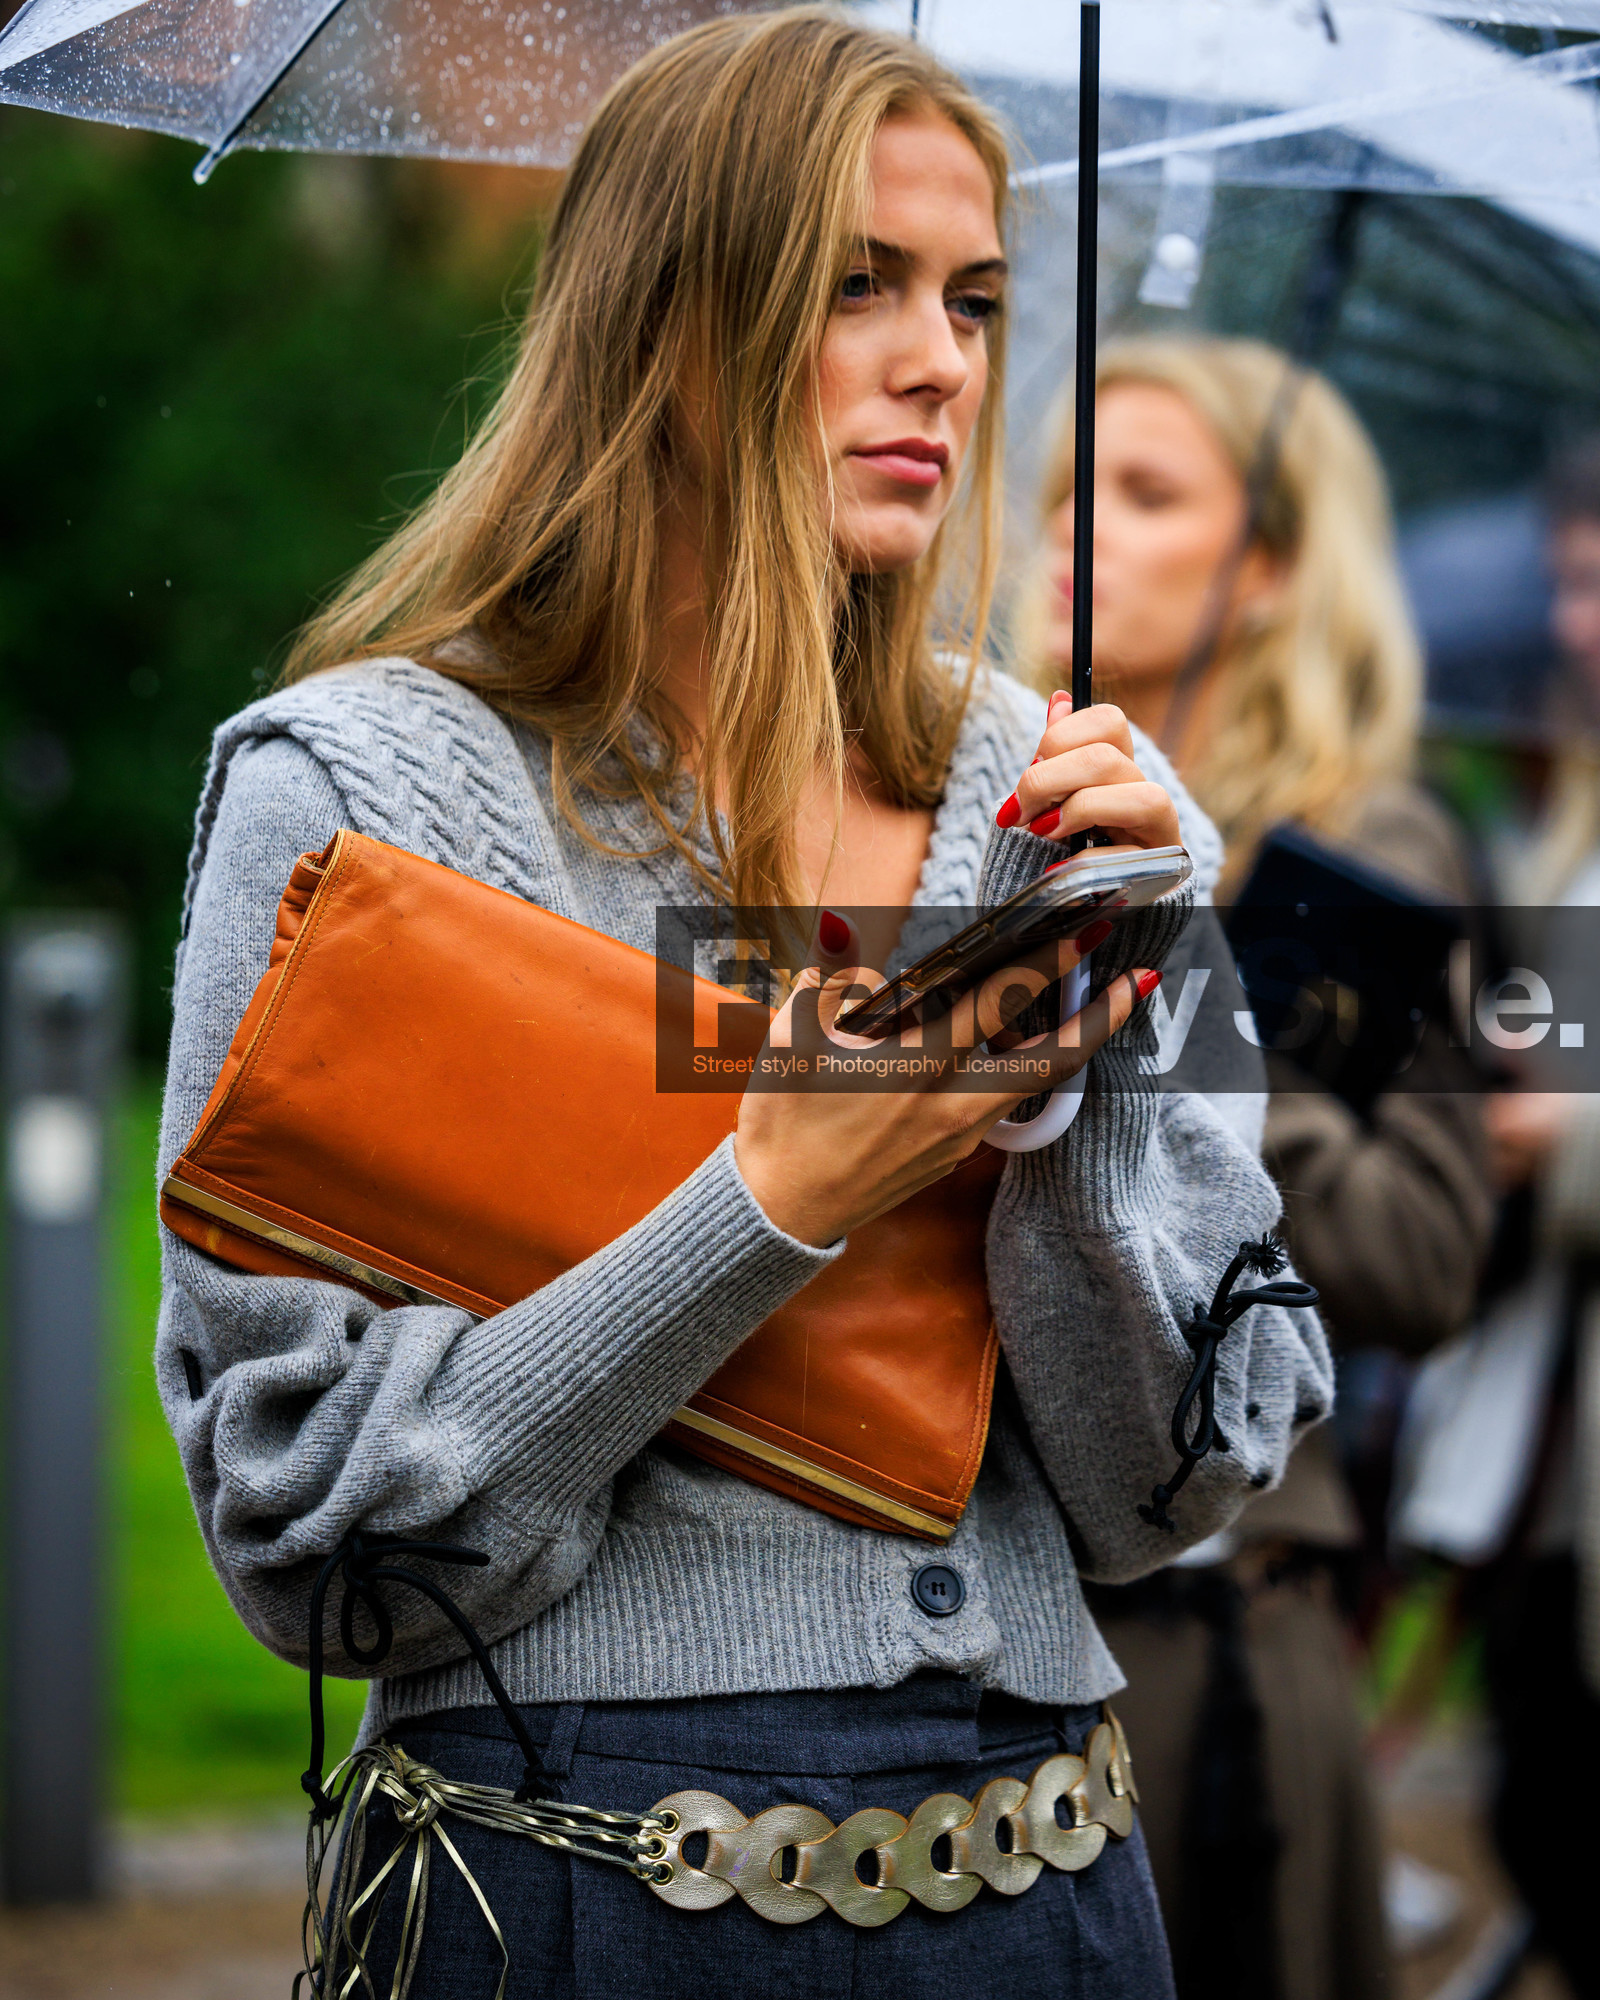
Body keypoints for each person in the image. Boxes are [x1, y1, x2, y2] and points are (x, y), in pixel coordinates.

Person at [156, 25, 1331, 1998]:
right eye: (853, 282)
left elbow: (1168, 1491)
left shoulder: (1055, 799)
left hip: (1048, 1897)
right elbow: (314, 1545)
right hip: (571, 1900)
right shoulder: (365, 796)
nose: (941, 360)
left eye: (971, 299)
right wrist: (763, 1199)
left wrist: (1088, 1078)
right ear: (663, 320)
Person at [1020, 335, 1492, 2000]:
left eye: (1145, 496)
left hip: (1228, 1654)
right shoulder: (1000, 816)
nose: (1074, 532)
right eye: (1067, 491)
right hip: (1005, 1629)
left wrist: (1187, 1011)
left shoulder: (1374, 852)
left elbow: (1426, 1258)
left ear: (1276, 570)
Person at [1472, 434, 1600, 2000]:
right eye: (1576, 578)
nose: (1587, 620)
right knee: (1545, 1794)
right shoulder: (1561, 813)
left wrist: (1560, 1139)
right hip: (1535, 1440)